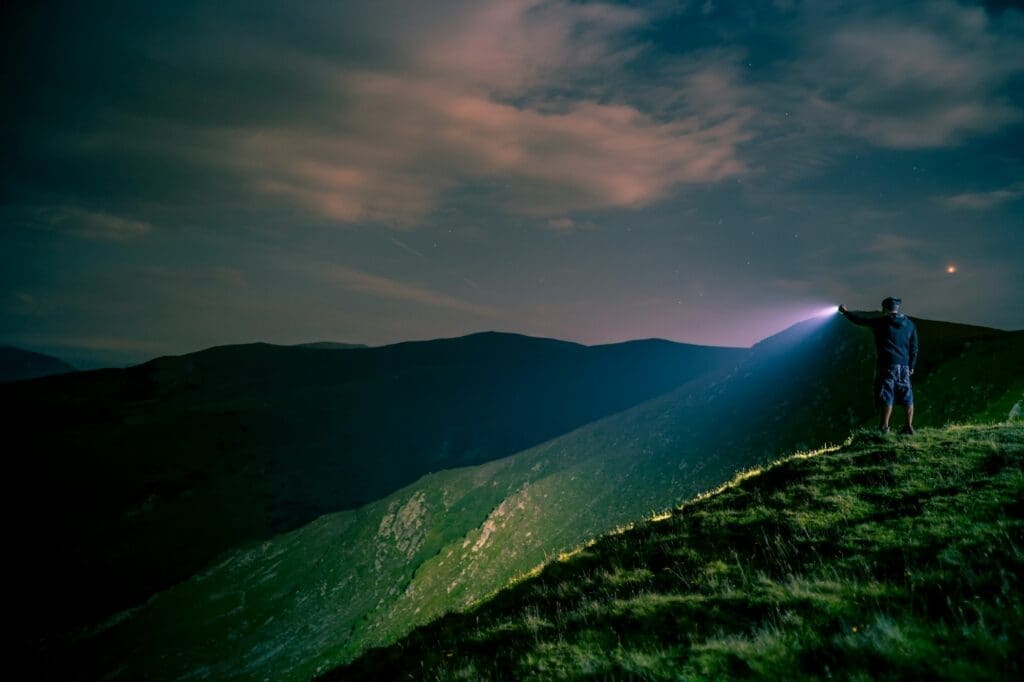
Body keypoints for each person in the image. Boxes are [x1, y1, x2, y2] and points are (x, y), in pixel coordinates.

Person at [838, 297, 918, 435]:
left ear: (885, 309)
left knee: (887, 394)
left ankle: (884, 427)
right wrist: (911, 365)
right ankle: (909, 426)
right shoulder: (910, 324)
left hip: (887, 364)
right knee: (907, 395)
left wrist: (846, 313)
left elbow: (861, 320)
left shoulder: (882, 322)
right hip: (904, 366)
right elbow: (914, 347)